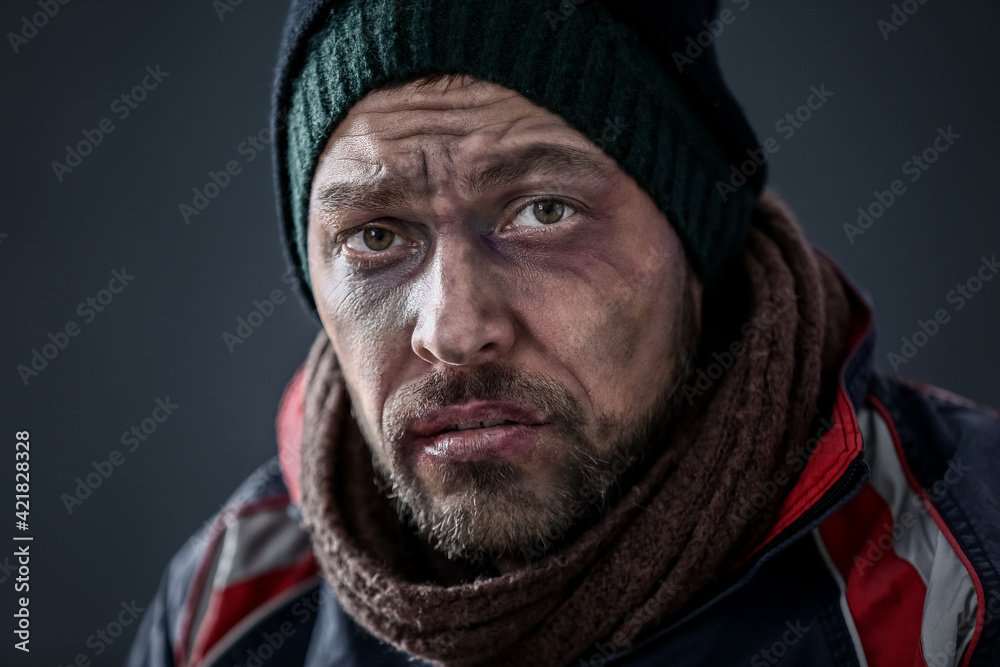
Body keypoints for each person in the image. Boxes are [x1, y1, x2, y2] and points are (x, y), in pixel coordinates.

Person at [127, 0, 1000, 665]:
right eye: (376, 236)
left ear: (694, 242)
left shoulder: (964, 569)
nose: (454, 328)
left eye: (543, 211)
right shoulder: (229, 601)